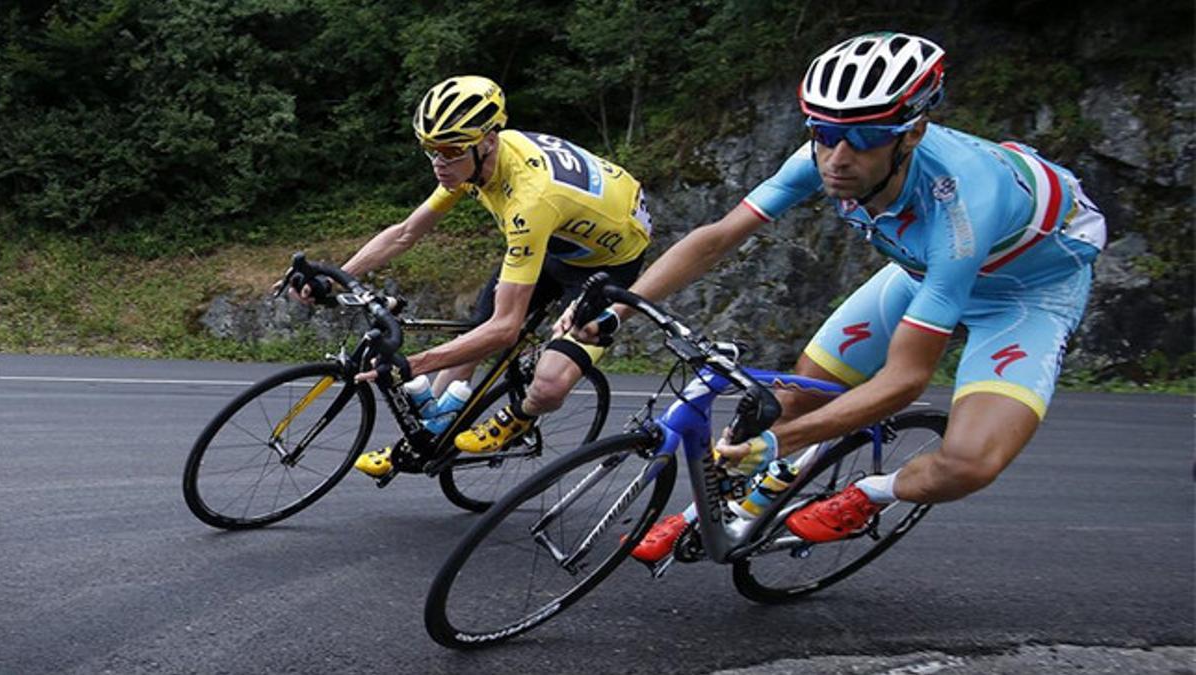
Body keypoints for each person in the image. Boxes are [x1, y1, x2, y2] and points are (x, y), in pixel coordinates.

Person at [562, 32, 1106, 563]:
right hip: (922, 273)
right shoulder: (825, 156)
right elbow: (719, 237)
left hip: (1022, 296)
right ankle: (722, 507)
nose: (837, 158)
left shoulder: (965, 202)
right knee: (803, 395)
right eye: (822, 132)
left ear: (912, 133)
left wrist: (784, 440)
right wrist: (618, 310)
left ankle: (868, 494)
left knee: (969, 463)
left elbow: (905, 380)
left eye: (865, 138)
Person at [292, 75, 653, 475]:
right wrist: (334, 277)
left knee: (547, 381)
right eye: (429, 150)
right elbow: (406, 232)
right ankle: (431, 434)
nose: (438, 163)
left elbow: (505, 330)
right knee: (475, 333)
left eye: (447, 151)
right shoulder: (472, 164)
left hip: (609, 261)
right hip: (558, 240)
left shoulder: (530, 199)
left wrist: (414, 364)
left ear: (488, 141)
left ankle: (519, 416)